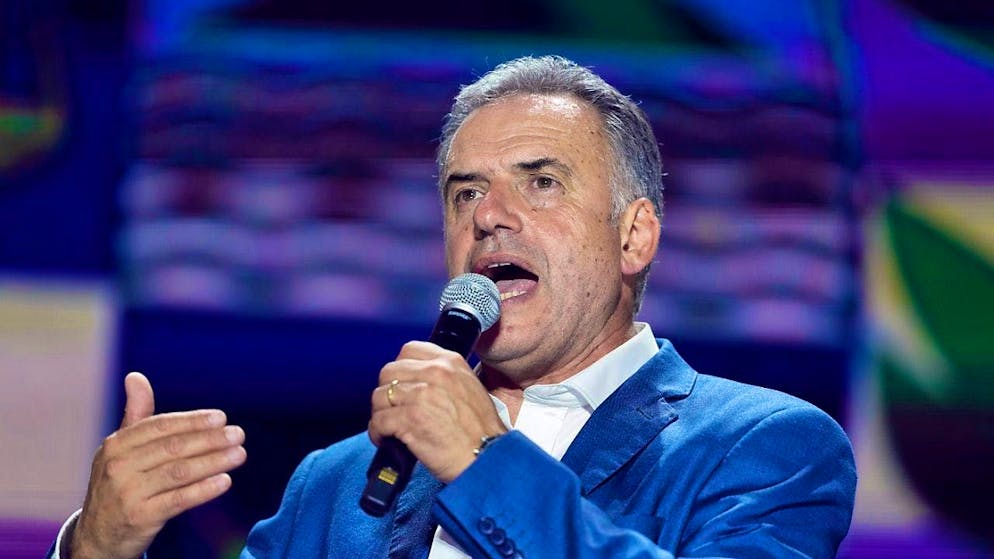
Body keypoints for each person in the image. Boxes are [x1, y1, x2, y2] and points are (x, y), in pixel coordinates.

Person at [50, 55, 856, 558]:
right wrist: (98, 548)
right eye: (465, 191)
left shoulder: (765, 446)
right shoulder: (337, 483)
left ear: (634, 236)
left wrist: (483, 461)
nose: (489, 215)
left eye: (540, 181)